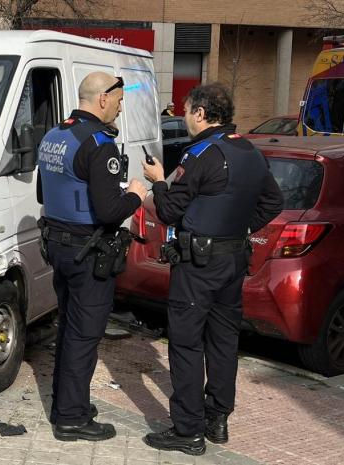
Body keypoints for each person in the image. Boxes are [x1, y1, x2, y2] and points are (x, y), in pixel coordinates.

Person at [141, 83, 283, 456]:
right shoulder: (250, 151)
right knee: (223, 340)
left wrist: (158, 182)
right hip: (233, 260)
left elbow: (169, 211)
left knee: (187, 343)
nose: (184, 117)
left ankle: (188, 431)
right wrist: (240, 228)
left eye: (187, 110)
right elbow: (274, 202)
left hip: (198, 263)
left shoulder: (201, 154)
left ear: (201, 113)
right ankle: (217, 419)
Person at [37, 71, 148, 442]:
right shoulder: (99, 143)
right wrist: (135, 195)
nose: (120, 106)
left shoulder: (55, 135)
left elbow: (43, 193)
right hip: (88, 252)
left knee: (70, 329)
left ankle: (67, 404)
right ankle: (71, 418)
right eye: (119, 99)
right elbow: (109, 211)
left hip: (59, 246)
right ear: (103, 98)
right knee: (84, 336)